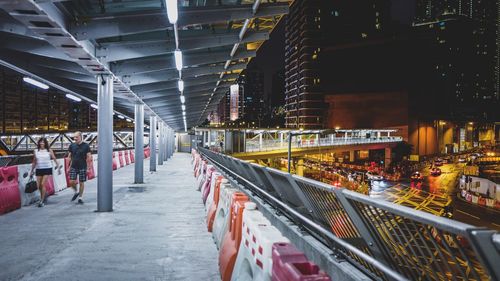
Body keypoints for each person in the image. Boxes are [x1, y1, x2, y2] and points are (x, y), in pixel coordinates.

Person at [30, 137, 60, 207]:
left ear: (45, 143)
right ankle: (44, 195)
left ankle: (42, 200)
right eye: (40, 142)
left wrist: (58, 167)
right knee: (38, 186)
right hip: (39, 169)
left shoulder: (49, 150)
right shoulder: (36, 151)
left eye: (43, 142)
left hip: (47, 168)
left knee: (43, 184)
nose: (41, 143)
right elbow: (34, 161)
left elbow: (54, 158)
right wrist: (31, 171)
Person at [68, 131, 91, 204]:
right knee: (71, 182)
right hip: (73, 166)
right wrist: (69, 166)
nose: (75, 138)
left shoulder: (86, 146)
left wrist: (88, 167)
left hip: (82, 166)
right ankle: (76, 192)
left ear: (81, 137)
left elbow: (89, 157)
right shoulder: (72, 145)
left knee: (81, 182)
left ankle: (80, 198)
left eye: (76, 137)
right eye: (74, 137)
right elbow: (70, 157)